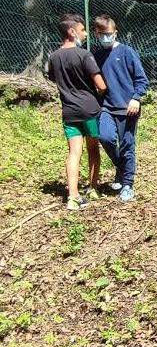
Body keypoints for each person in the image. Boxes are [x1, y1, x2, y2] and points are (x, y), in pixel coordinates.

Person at [47, 13, 107, 210]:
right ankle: (92, 188)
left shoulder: (54, 57)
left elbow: (55, 79)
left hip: (69, 111)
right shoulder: (84, 55)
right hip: (89, 110)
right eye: (82, 30)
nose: (86, 34)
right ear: (72, 32)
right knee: (93, 149)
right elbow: (101, 85)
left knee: (74, 153)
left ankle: (72, 197)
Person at [92, 14, 149, 202]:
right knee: (105, 137)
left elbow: (142, 80)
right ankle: (122, 168)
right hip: (106, 108)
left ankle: (127, 185)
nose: (105, 37)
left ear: (115, 33)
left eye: (108, 33)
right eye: (101, 34)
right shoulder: (96, 55)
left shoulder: (127, 52)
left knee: (127, 145)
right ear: (96, 34)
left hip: (128, 108)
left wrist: (136, 98)